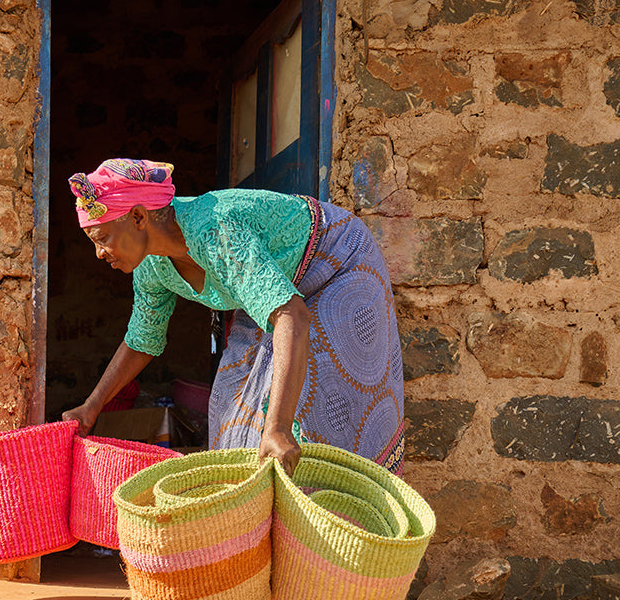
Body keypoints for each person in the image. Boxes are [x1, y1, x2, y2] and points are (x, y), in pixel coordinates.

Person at [62, 157, 404, 479]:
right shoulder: (151, 265)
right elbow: (142, 341)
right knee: (230, 400)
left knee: (314, 403)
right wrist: (91, 407)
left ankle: (336, 518)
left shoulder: (216, 231)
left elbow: (293, 317)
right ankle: (250, 521)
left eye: (102, 238)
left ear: (139, 218)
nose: (99, 253)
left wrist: (279, 427)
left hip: (334, 264)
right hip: (278, 288)